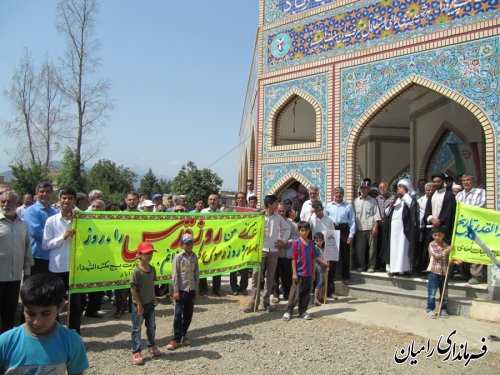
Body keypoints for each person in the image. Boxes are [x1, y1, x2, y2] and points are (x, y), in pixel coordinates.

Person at [0, 273, 89, 373]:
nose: (37, 322)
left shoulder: (72, 341)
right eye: (31, 313)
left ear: (60, 306)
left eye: (46, 313)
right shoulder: (5, 342)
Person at [42, 187, 83, 334]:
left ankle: (74, 335)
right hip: (57, 266)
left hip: (75, 268)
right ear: (59, 200)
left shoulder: (81, 219)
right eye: (64, 198)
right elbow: (45, 245)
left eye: (70, 198)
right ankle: (56, 333)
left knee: (76, 305)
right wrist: (63, 237)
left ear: (74, 201)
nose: (66, 201)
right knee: (55, 303)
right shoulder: (51, 221)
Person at [244, 195, 289, 313]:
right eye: (275, 203)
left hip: (273, 251)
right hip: (260, 251)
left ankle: (266, 301)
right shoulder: (259, 216)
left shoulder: (278, 218)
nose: (277, 205)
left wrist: (282, 241)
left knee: (270, 278)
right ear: (269, 204)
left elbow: (287, 229)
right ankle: (253, 301)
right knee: (256, 276)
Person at [0, 191, 33, 333]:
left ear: (16, 204)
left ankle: (7, 341)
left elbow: (27, 248)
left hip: (14, 277)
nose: (6, 204)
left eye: (10, 201)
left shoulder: (23, 224)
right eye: (3, 202)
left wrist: (28, 271)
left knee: (10, 310)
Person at [130, 242, 161, 365]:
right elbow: (133, 289)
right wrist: (139, 304)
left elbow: (151, 285)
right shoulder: (136, 271)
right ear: (139, 255)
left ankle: (151, 345)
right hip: (139, 305)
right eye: (146, 253)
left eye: (151, 253)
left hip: (150, 304)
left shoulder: (152, 269)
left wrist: (153, 298)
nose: (149, 256)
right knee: (136, 328)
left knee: (152, 326)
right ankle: (137, 351)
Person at [167, 233, 199, 351]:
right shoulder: (178, 257)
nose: (189, 245)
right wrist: (175, 291)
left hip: (191, 289)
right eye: (187, 243)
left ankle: (184, 335)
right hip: (180, 290)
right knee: (177, 315)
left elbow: (196, 273)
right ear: (181, 245)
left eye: (191, 243)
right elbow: (175, 275)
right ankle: (175, 339)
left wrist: (196, 289)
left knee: (188, 314)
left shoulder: (194, 256)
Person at [282, 221, 319, 321]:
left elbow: (314, 258)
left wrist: (313, 272)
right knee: (294, 293)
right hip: (299, 273)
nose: (304, 232)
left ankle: (302, 310)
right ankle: (288, 311)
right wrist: (294, 272)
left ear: (309, 231)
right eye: (302, 230)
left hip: (309, 273)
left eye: (306, 230)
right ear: (298, 231)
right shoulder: (296, 243)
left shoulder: (311, 243)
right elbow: (293, 258)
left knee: (306, 293)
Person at [381, 180, 420, 276]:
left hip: (404, 229)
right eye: (398, 187)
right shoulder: (396, 199)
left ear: (406, 189)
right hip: (394, 230)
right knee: (394, 249)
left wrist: (405, 195)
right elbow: (386, 213)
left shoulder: (410, 198)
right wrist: (389, 206)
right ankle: (394, 269)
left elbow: (413, 206)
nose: (399, 189)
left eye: (401, 187)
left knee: (403, 248)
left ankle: (404, 269)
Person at [455, 173, 486, 285]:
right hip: (463, 226)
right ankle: (465, 273)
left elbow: (481, 205)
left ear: (473, 181)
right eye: (464, 180)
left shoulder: (480, 192)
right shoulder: (459, 195)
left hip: (476, 225)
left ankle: (477, 276)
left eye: (468, 180)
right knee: (464, 248)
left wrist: (467, 211)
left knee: (476, 248)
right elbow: (457, 209)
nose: (466, 182)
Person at [422, 173, 457, 272]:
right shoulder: (432, 194)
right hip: (432, 227)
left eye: (438, 181)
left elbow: (449, 211)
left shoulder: (449, 195)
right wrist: (431, 219)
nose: (436, 184)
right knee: (432, 249)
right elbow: (427, 210)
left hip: (444, 228)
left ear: (443, 182)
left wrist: (439, 221)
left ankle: (446, 272)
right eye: (434, 182)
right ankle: (431, 270)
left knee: (444, 251)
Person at [23, 182, 59, 275]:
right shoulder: (31, 211)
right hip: (38, 257)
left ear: (52, 193)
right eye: (41, 192)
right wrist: (60, 239)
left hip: (53, 256)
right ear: (36, 195)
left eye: (48, 191)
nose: (45, 194)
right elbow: (37, 233)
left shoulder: (55, 212)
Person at [325, 187, 355, 287]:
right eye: (336, 192)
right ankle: (331, 279)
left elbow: (352, 221)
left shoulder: (348, 206)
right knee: (332, 255)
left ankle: (346, 278)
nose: (338, 194)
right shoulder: (329, 206)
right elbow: (325, 219)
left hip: (344, 230)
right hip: (332, 230)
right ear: (334, 193)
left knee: (345, 255)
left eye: (340, 193)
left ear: (343, 194)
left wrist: (351, 235)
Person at [309, 201, 337, 297]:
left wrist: (333, 247)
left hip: (327, 245)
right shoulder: (312, 219)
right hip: (315, 245)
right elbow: (307, 228)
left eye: (319, 210)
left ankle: (330, 291)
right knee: (316, 269)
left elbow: (333, 233)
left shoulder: (329, 220)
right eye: (316, 211)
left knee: (329, 268)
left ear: (322, 209)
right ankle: (316, 292)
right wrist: (311, 214)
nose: (318, 212)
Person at [353, 181, 381, 272]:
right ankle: (362, 265)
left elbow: (376, 215)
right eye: (362, 188)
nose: (363, 190)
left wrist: (376, 227)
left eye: (365, 188)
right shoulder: (356, 201)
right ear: (360, 189)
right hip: (360, 228)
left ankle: (371, 266)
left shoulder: (373, 201)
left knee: (372, 249)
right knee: (360, 250)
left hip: (370, 228)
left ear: (368, 189)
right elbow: (353, 216)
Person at [426, 227, 452, 319]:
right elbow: (437, 256)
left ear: (443, 235)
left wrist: (455, 261)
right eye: (435, 235)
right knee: (432, 293)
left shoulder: (446, 245)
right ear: (432, 236)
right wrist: (448, 250)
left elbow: (448, 259)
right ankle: (430, 309)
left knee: (444, 293)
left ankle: (443, 309)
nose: (437, 237)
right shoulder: (432, 245)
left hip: (444, 272)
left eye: (439, 235)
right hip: (434, 272)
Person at [271, 202, 295, 303]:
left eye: (282, 211)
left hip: (286, 253)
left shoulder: (290, 223)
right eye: (279, 211)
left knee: (287, 275)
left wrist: (286, 243)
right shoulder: (272, 221)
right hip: (274, 252)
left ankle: (287, 293)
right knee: (275, 275)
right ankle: (276, 294)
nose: (281, 213)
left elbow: (294, 237)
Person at [199, 194, 222, 296]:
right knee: (203, 265)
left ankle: (216, 289)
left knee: (217, 265)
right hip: (205, 243)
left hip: (217, 243)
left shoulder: (222, 214)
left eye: (214, 200)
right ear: (208, 201)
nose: (212, 201)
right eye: (210, 199)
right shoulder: (203, 212)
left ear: (217, 201)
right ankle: (203, 288)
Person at [230, 192, 249, 295]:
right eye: (239, 198)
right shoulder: (232, 212)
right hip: (234, 242)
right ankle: (234, 288)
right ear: (236, 200)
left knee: (245, 266)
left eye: (242, 198)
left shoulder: (250, 212)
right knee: (233, 266)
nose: (241, 199)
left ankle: (243, 287)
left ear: (245, 199)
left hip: (245, 242)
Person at [376, 181, 395, 270]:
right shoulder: (376, 199)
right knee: (379, 245)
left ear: (388, 188)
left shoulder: (393, 198)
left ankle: (386, 263)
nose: (382, 189)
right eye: (381, 187)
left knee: (387, 244)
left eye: (384, 187)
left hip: (389, 226)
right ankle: (379, 264)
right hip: (378, 225)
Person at [313, 232, 329, 306]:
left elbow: (326, 258)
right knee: (319, 281)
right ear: (315, 241)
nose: (319, 242)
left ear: (323, 240)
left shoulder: (323, 248)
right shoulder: (316, 248)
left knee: (322, 282)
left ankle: (320, 297)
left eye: (320, 240)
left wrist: (327, 265)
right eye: (317, 241)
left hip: (322, 266)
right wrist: (324, 263)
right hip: (317, 266)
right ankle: (315, 298)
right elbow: (316, 258)